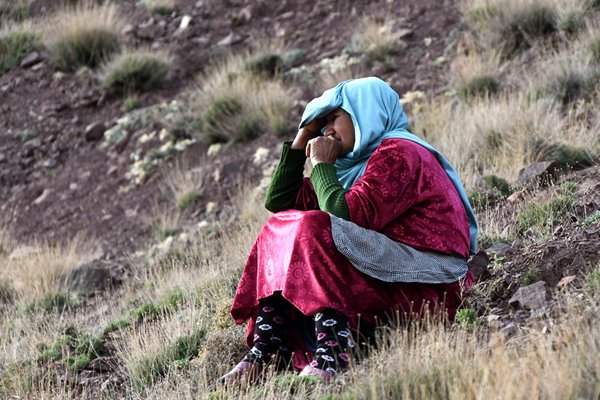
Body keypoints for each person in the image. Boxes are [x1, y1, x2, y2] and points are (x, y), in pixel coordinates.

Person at [221, 76, 478, 383]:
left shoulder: (400, 152)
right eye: (322, 123)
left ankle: (334, 353)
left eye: (334, 118)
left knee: (315, 225)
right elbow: (279, 202)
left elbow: (347, 217)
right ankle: (266, 352)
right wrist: (303, 137)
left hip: (433, 279)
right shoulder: (349, 168)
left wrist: (321, 166)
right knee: (281, 225)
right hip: (388, 269)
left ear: (364, 113)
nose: (326, 130)